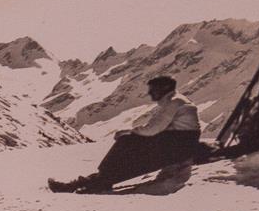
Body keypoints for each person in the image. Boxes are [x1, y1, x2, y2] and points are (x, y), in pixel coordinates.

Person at [52, 74, 205, 193]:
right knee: (129, 149)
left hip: (177, 146)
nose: (150, 93)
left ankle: (98, 180)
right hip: (179, 144)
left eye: (153, 89)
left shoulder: (173, 102)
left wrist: (129, 133)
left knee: (126, 143)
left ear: (163, 88)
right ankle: (98, 180)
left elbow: (153, 129)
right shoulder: (174, 101)